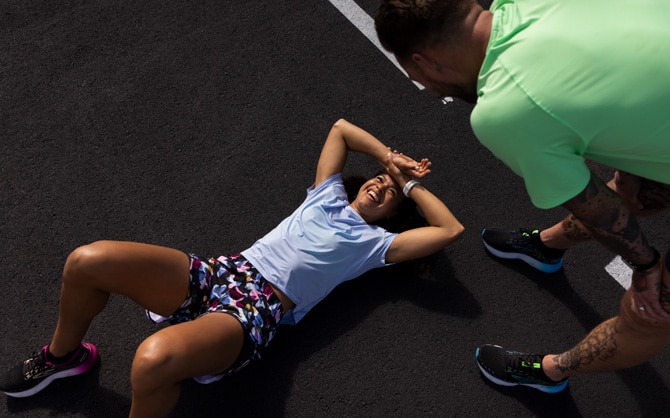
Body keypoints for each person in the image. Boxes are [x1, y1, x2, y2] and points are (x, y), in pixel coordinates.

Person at [0, 119, 464, 417]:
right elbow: (342, 129)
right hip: (222, 272)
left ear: (393, 216)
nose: (381, 186)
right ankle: (64, 359)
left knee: (152, 362)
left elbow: (449, 230)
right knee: (87, 261)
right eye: (378, 180)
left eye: (388, 193)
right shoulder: (327, 195)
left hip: (254, 311)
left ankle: (197, 352)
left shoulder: (377, 244)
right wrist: (389, 158)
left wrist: (408, 185)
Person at [375, 0, 670, 394]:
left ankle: (551, 373)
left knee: (653, 311)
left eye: (415, 76)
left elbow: (595, 207)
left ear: (426, 63)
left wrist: (646, 265)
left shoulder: (506, 106)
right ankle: (546, 248)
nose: (423, 86)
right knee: (633, 190)